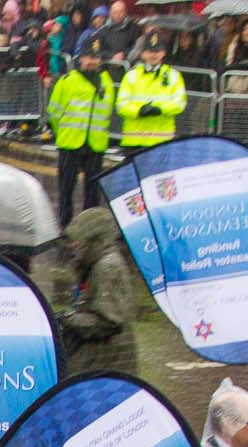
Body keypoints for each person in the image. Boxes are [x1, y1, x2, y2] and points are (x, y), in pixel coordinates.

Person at [55, 206, 139, 375]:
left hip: (107, 362)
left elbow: (109, 321)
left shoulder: (106, 267)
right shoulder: (94, 264)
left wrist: (70, 320)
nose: (74, 246)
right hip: (103, 359)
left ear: (94, 240)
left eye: (79, 241)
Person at [46, 39, 112, 226]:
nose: (92, 61)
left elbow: (106, 111)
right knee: (66, 190)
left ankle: (89, 229)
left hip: (95, 144)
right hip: (71, 143)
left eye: (96, 57)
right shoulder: (68, 81)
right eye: (88, 57)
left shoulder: (105, 81)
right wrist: (62, 134)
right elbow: (54, 113)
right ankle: (65, 228)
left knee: (92, 193)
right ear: (80, 58)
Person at [115, 29, 185, 148]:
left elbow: (180, 104)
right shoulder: (131, 76)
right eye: (150, 51)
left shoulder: (174, 76)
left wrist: (159, 109)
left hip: (161, 142)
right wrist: (139, 110)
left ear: (163, 53)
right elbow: (121, 105)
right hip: (134, 142)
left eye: (157, 51)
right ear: (142, 53)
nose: (153, 55)